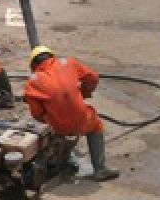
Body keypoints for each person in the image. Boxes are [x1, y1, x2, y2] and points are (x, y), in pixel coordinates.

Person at [25, 45, 120, 181]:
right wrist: (84, 92)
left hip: (57, 126)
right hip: (82, 120)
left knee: (48, 130)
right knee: (96, 125)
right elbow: (93, 78)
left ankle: (60, 159)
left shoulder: (33, 82)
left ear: (34, 65)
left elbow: (37, 114)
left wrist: (50, 115)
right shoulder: (69, 63)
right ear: (52, 56)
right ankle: (100, 169)